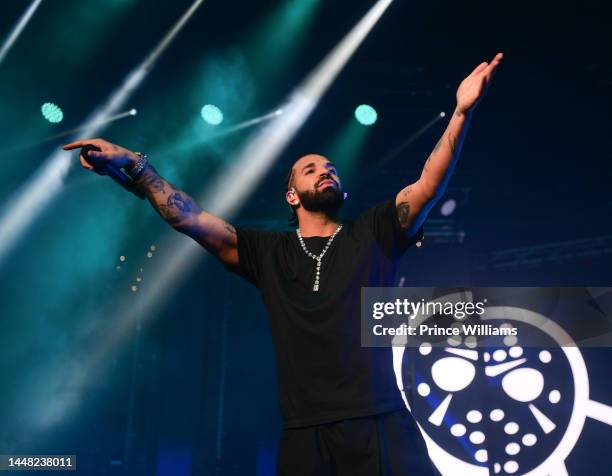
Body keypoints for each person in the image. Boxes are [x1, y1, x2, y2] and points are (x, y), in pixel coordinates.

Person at [63, 53, 503, 475]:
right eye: (310, 168)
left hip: (380, 423)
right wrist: (136, 165)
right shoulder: (267, 251)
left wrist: (462, 112)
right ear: (292, 196)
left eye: (330, 167)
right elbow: (189, 217)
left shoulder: (374, 231)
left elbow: (428, 184)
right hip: (306, 433)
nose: (325, 170)